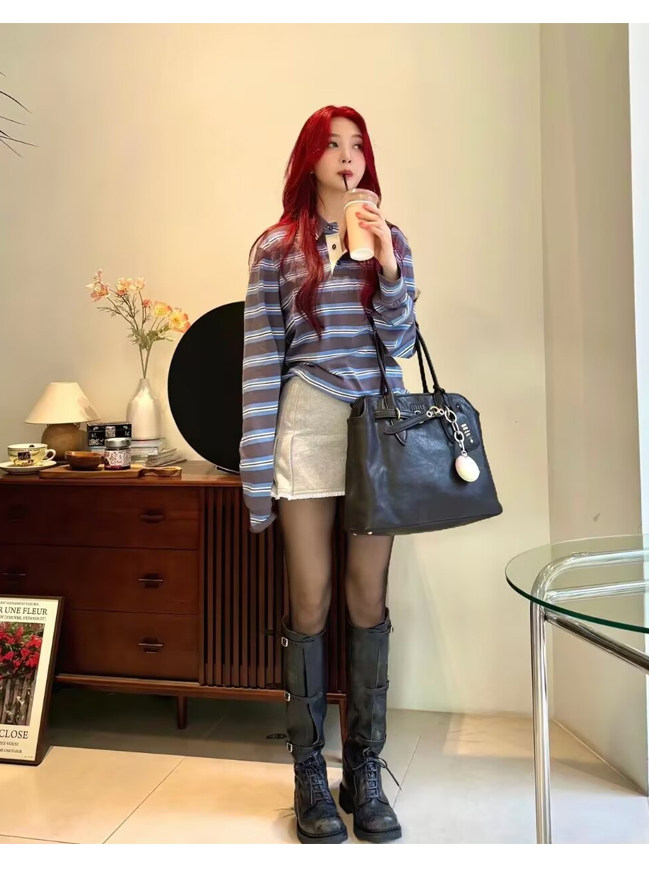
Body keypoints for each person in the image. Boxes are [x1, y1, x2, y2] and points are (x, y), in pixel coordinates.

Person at [239, 105, 418, 844]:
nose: (348, 156)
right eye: (333, 144)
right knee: (309, 601)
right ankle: (310, 773)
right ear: (310, 158)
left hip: (375, 424)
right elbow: (260, 361)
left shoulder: (390, 238)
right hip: (307, 422)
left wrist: (386, 266)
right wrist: (255, 474)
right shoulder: (277, 248)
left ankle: (364, 769)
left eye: (358, 145)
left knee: (367, 599)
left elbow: (400, 341)